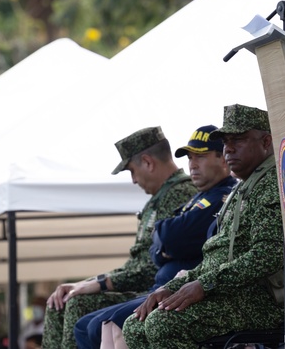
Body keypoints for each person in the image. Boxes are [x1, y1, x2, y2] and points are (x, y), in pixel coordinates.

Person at [121, 104, 285, 349]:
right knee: (135, 324)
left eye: (238, 140)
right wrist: (171, 287)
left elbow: (268, 255)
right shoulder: (243, 187)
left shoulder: (272, 182)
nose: (228, 148)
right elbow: (215, 259)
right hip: (229, 293)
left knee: (163, 324)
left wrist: (205, 285)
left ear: (266, 141)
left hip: (260, 299)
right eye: (225, 141)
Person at [75, 125, 237, 349]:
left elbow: (171, 238)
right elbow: (159, 243)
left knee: (108, 324)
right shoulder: (198, 199)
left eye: (200, 156)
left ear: (223, 159)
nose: (192, 164)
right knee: (87, 324)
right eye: (190, 158)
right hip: (162, 289)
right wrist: (164, 243)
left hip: (184, 291)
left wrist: (165, 242)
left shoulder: (222, 196)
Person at [43, 127, 196, 349]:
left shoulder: (180, 194)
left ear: (148, 162)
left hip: (158, 290)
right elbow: (136, 264)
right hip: (146, 289)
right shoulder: (161, 198)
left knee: (77, 303)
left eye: (132, 171)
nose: (134, 180)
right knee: (60, 302)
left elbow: (150, 268)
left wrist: (99, 284)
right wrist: (86, 283)